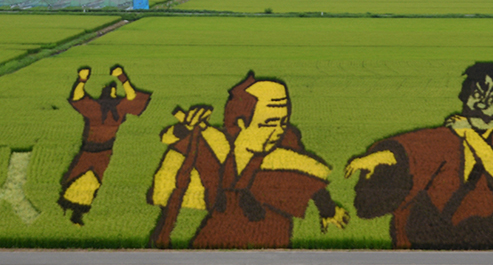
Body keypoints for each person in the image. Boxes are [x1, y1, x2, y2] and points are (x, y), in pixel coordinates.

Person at [345, 62, 493, 249]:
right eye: (478, 93)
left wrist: (469, 133)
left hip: (482, 241)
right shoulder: (442, 138)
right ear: (466, 94)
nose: (483, 104)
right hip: (416, 241)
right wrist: (379, 158)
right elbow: (410, 152)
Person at [148, 72, 348, 248]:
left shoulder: (283, 149)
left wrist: (328, 209)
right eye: (269, 123)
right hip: (218, 231)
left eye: (283, 122)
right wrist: (188, 126)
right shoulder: (221, 144)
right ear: (242, 122)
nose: (278, 131)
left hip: (270, 234)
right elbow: (171, 137)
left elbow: (306, 178)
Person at [59, 65, 151, 225]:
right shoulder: (96, 108)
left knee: (93, 181)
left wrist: (122, 76)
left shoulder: (119, 109)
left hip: (104, 151)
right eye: (108, 89)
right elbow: (77, 98)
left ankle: (78, 213)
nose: (110, 91)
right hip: (89, 149)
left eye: (113, 90)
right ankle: (68, 208)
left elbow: (132, 96)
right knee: (76, 178)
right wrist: (82, 79)